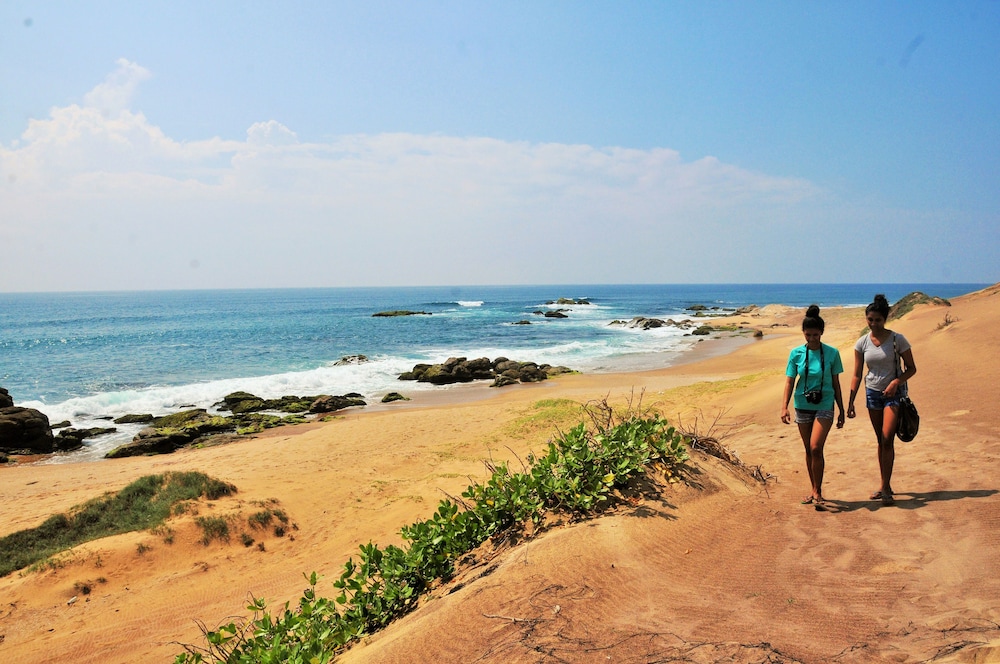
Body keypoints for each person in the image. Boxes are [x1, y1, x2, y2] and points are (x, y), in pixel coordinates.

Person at [847, 293, 917, 506]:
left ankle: (885, 488)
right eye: (870, 319)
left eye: (878, 319)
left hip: (894, 395)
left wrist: (896, 382)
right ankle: (885, 484)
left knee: (887, 438)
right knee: (880, 440)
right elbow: (857, 374)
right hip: (872, 394)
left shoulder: (897, 339)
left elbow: (911, 368)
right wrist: (850, 401)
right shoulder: (862, 343)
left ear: (885, 319)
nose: (874, 323)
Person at [781, 305, 846, 508]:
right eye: (808, 335)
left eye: (815, 335)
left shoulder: (832, 353)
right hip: (802, 404)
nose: (811, 339)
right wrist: (784, 407)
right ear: (803, 333)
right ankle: (814, 489)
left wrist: (841, 409)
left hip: (825, 403)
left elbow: (836, 383)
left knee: (816, 447)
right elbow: (790, 381)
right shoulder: (796, 354)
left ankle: (818, 492)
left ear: (822, 333)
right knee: (808, 450)